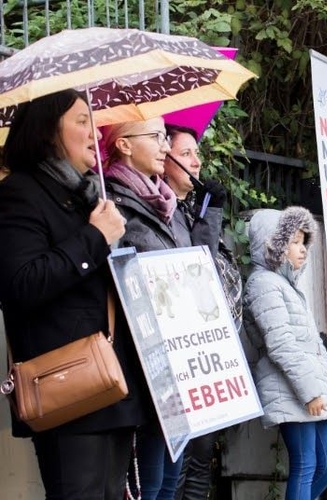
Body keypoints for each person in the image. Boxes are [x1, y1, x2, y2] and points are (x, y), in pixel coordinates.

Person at [0, 88, 148, 498]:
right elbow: (21, 284)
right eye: (81, 120)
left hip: (114, 384)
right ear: (49, 131)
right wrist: (95, 237)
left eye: (92, 120)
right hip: (68, 388)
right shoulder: (20, 193)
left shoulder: (89, 198)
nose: (92, 131)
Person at [102, 117, 223, 499]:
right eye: (156, 138)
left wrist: (210, 213)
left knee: (171, 479)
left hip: (179, 357)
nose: (163, 146)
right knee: (151, 484)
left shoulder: (164, 203)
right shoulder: (116, 204)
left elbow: (197, 265)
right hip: (148, 360)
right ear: (123, 144)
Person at [161, 124, 241, 500]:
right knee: (176, 467)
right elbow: (198, 268)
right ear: (165, 157)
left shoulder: (191, 205)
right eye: (187, 152)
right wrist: (210, 215)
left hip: (211, 354)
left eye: (197, 152)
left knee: (201, 459)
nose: (198, 161)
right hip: (181, 354)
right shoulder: (165, 211)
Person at [241, 207, 327, 500]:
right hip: (291, 389)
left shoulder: (284, 284)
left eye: (303, 242)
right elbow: (281, 344)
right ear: (272, 245)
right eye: (295, 242)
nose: (303, 250)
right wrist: (311, 391)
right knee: (307, 464)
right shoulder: (263, 284)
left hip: (307, 387)